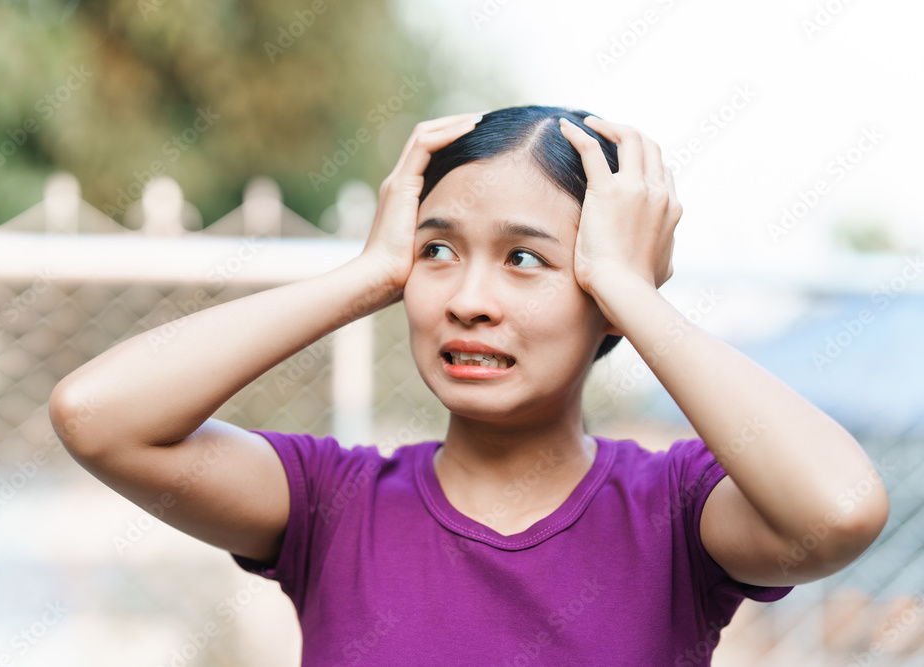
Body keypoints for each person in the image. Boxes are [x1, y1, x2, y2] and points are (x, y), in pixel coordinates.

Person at [49, 105, 890, 664]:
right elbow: (96, 415)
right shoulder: (332, 504)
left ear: (601, 292)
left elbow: (841, 507)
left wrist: (634, 293)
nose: (469, 300)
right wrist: (367, 274)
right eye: (439, 251)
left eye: (526, 259)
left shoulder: (673, 514)